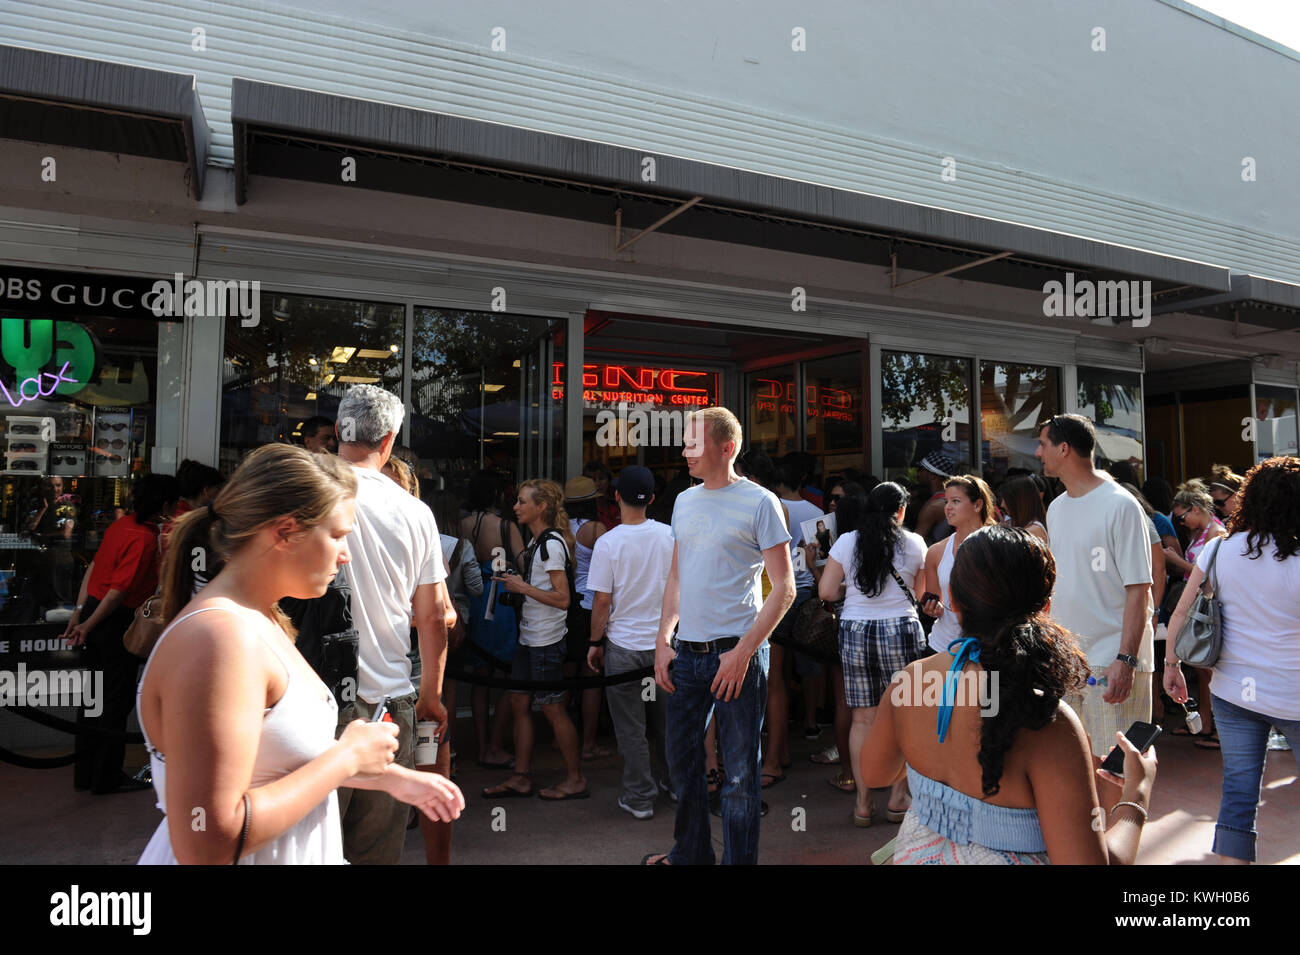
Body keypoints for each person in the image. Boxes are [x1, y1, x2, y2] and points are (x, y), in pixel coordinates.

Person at [135, 444, 463, 863]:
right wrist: (346, 758)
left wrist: (389, 778)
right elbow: (206, 840)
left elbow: (277, 764)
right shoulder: (217, 638)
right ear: (285, 532)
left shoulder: (259, 620)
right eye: (340, 535)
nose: (345, 555)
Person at [861, 524, 1156, 864]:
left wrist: (933, 760)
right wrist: (1136, 798)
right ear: (1045, 606)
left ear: (953, 600)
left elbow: (875, 774)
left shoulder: (911, 681)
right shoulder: (1049, 722)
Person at [643, 407, 793, 866]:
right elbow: (676, 578)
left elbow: (784, 588)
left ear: (726, 448)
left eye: (694, 442)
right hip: (686, 655)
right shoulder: (685, 500)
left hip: (737, 656)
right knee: (683, 765)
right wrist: (663, 639)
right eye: (685, 441)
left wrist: (744, 653)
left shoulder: (761, 502)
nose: (685, 450)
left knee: (740, 775)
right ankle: (690, 854)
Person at [333, 384, 452, 864]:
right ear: (389, 440)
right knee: (375, 852)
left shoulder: (303, 488)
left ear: (341, 428)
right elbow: (434, 617)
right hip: (387, 703)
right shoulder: (415, 511)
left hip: (312, 701)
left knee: (303, 847)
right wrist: (431, 696)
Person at [1164, 456, 1300, 864]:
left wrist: (1172, 666)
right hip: (1293, 692)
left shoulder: (1221, 549)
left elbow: (1182, 612)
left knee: (1239, 792)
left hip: (1233, 692)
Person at [1035, 414, 1154, 806]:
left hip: (1111, 659)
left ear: (1064, 449)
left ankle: (1116, 850)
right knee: (1075, 761)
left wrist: (1126, 658)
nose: (1039, 453)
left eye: (1043, 444)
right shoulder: (1055, 508)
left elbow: (1139, 589)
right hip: (1070, 658)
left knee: (1117, 770)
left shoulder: (1121, 505)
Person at [818, 481, 926, 826]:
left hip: (856, 631)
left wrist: (853, 587)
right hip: (902, 631)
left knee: (863, 719)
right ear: (902, 510)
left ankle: (863, 804)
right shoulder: (914, 543)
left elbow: (826, 591)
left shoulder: (848, 541)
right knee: (905, 716)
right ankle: (897, 797)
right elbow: (922, 594)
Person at [65, 473, 180, 795]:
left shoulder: (120, 526)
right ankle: (106, 777)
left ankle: (86, 773)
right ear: (165, 504)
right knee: (115, 701)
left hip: (93, 611)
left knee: (94, 698)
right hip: (113, 622)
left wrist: (80, 613)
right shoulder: (144, 537)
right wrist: (89, 623)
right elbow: (119, 591)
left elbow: (93, 569)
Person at [484, 479, 588, 800]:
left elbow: (563, 599)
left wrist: (522, 588)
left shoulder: (549, 545)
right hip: (530, 636)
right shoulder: (536, 543)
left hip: (546, 639)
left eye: (522, 501)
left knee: (554, 708)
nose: (516, 506)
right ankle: (521, 776)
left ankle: (575, 779)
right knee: (519, 702)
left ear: (541, 507)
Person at [586, 465, 674, 819]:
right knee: (667, 724)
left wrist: (594, 641)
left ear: (617, 496)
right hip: (665, 646)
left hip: (623, 648)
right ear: (652, 499)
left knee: (632, 729)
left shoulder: (608, 542)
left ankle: (640, 798)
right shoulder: (671, 537)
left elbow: (602, 601)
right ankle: (675, 783)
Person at [459, 471, 525, 768]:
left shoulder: (463, 524)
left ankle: (482, 744)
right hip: (500, 598)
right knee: (509, 674)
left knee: (479, 677)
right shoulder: (505, 525)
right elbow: (523, 561)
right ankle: (496, 745)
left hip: (473, 597)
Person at [1164, 479, 1228, 749]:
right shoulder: (1202, 533)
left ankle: (1215, 725)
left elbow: (1208, 573)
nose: (1181, 522)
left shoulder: (1215, 532)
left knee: (1208, 668)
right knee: (1202, 669)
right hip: (1198, 606)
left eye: (1183, 516)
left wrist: (1178, 563)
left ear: (1196, 509)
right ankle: (1206, 721)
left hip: (1207, 606)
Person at [918, 474, 997, 655]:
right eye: (946, 502)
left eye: (955, 501)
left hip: (987, 648)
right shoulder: (936, 552)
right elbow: (934, 598)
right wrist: (932, 607)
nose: (948, 508)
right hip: (942, 646)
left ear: (978, 505)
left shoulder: (1000, 546)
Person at [564, 475, 613, 761]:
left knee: (567, 675)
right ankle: (588, 743)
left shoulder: (560, 529)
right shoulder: (595, 529)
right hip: (590, 605)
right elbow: (609, 570)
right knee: (592, 677)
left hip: (566, 607)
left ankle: (562, 738)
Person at [914, 451, 956, 544]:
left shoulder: (934, 507)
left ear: (932, 476)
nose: (918, 473)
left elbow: (915, 543)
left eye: (920, 469)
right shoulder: (952, 499)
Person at [997, 475, 1049, 547]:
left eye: (1006, 499)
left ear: (1019, 502)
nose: (1002, 505)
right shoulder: (1012, 524)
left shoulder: (1034, 531)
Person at [584, 462, 620, 530]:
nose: (598, 483)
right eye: (593, 480)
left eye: (601, 478)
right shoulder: (584, 508)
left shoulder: (618, 501)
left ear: (609, 481)